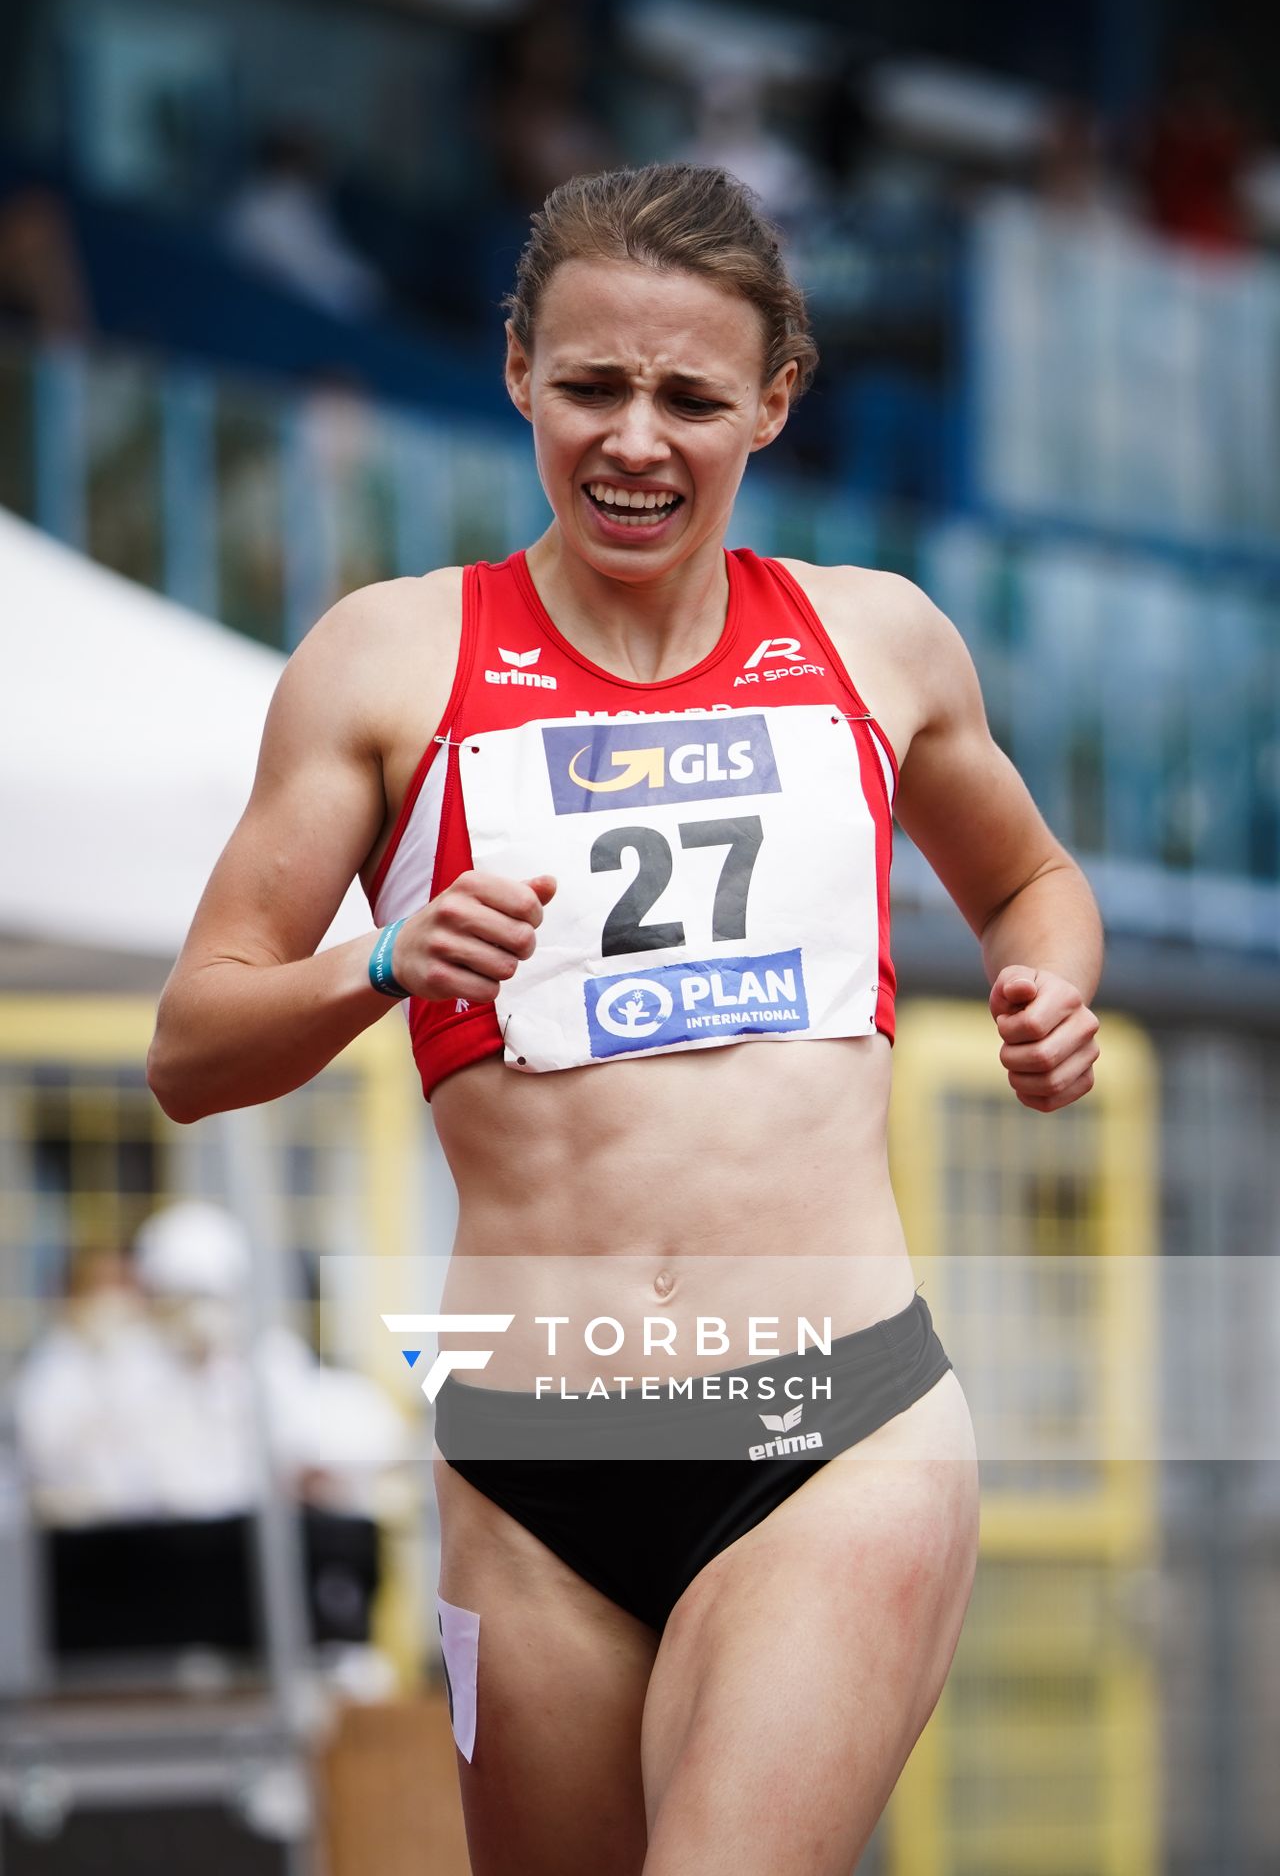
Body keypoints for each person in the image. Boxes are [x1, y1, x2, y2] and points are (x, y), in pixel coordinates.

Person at [148, 163, 1103, 1875]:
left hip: (836, 1428)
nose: (635, 442)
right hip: (534, 1464)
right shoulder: (385, 664)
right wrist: (379, 964)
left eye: (690, 398)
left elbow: (1033, 883)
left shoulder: (877, 645)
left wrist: (1052, 992)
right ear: (517, 368)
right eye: (590, 386)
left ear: (775, 403)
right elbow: (191, 1045)